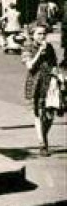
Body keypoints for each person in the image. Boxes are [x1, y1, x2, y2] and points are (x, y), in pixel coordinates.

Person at [23, 23, 59, 156]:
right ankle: (42, 143)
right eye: (39, 34)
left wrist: (57, 76)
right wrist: (39, 52)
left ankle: (43, 137)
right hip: (35, 83)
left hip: (50, 84)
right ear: (32, 35)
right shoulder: (28, 47)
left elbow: (54, 64)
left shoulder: (49, 47)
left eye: (44, 34)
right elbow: (29, 66)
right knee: (38, 114)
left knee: (50, 115)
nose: (42, 36)